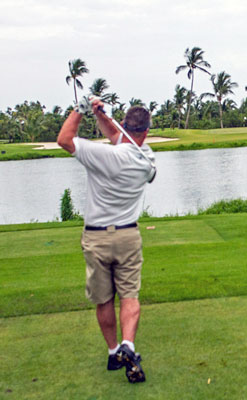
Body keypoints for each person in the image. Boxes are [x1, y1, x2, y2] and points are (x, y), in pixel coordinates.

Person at [57, 98, 156, 383]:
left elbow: (64, 139)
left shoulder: (99, 154)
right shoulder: (147, 158)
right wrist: (103, 116)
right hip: (128, 236)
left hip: (96, 237)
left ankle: (114, 351)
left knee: (103, 299)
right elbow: (118, 138)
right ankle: (129, 346)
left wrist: (81, 109)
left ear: (124, 124)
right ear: (146, 132)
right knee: (129, 295)